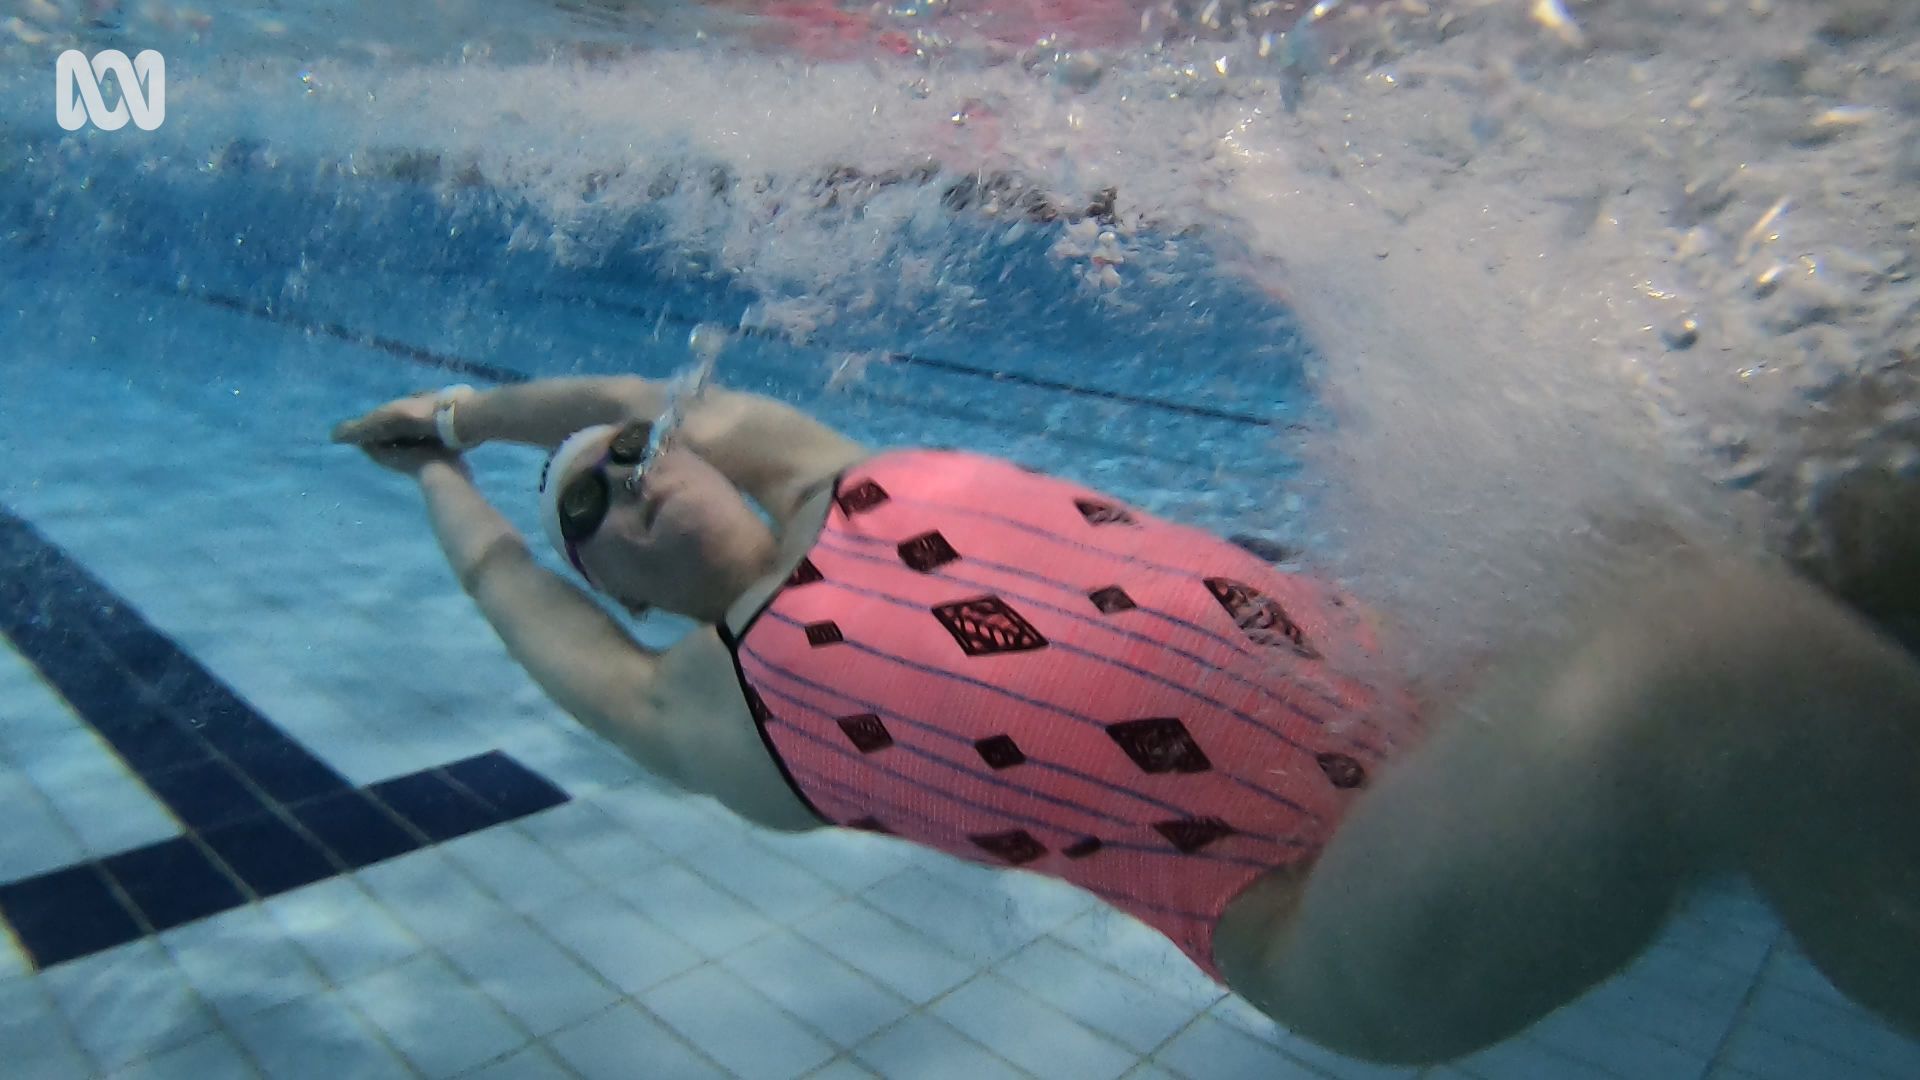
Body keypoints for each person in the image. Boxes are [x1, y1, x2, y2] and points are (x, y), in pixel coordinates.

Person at [332, 373, 1920, 1064]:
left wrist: (472, 407)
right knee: (1707, 653)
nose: (618, 475)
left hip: (1464, 710)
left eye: (624, 447)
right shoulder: (710, 711)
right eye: (589, 507)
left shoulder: (834, 463)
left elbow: (608, 394)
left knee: (1851, 477)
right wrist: (446, 478)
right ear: (611, 585)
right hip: (1325, 910)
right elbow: (506, 600)